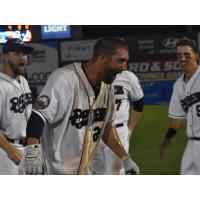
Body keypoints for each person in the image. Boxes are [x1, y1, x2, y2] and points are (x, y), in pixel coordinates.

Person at [23, 37, 140, 175]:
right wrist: (32, 151)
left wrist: (125, 157)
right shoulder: (65, 79)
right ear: (102, 58)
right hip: (55, 172)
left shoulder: (108, 89)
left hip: (85, 171)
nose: (124, 67)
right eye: (121, 60)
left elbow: (107, 127)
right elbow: (38, 116)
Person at [90, 70, 144, 174]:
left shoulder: (127, 77)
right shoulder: (93, 75)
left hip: (118, 130)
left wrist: (130, 129)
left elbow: (139, 103)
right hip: (94, 131)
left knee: (115, 173)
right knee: (93, 173)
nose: (123, 64)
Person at [159, 37, 200, 174]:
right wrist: (167, 138)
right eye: (179, 56)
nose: (182, 59)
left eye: (187, 55)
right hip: (191, 144)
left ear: (197, 55)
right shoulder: (178, 86)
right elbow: (177, 118)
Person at [0, 38, 34, 174]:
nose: (23, 58)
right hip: (9, 149)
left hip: (31, 146)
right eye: (17, 53)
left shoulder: (24, 81)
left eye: (24, 54)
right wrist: (10, 150)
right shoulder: (1, 86)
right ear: (5, 57)